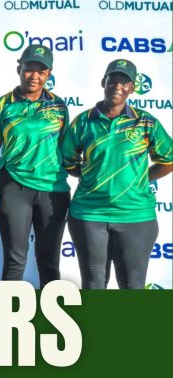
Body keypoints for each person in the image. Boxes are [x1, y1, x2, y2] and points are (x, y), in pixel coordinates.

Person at [62, 59, 172, 289]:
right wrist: (94, 176)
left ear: (132, 88)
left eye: (125, 83)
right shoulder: (84, 121)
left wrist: (140, 178)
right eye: (113, 81)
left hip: (135, 216)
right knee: (93, 284)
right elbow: (67, 160)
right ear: (104, 82)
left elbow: (168, 160)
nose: (118, 87)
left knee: (132, 286)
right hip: (89, 215)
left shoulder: (145, 122)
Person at [0, 45, 70, 287]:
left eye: (41, 71)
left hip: (53, 190)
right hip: (14, 190)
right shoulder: (2, 105)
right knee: (15, 259)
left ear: (49, 74)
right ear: (19, 68)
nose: (34, 76)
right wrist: (7, 173)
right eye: (29, 68)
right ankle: (8, 310)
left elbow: (65, 147)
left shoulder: (59, 106)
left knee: (49, 261)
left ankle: (51, 309)